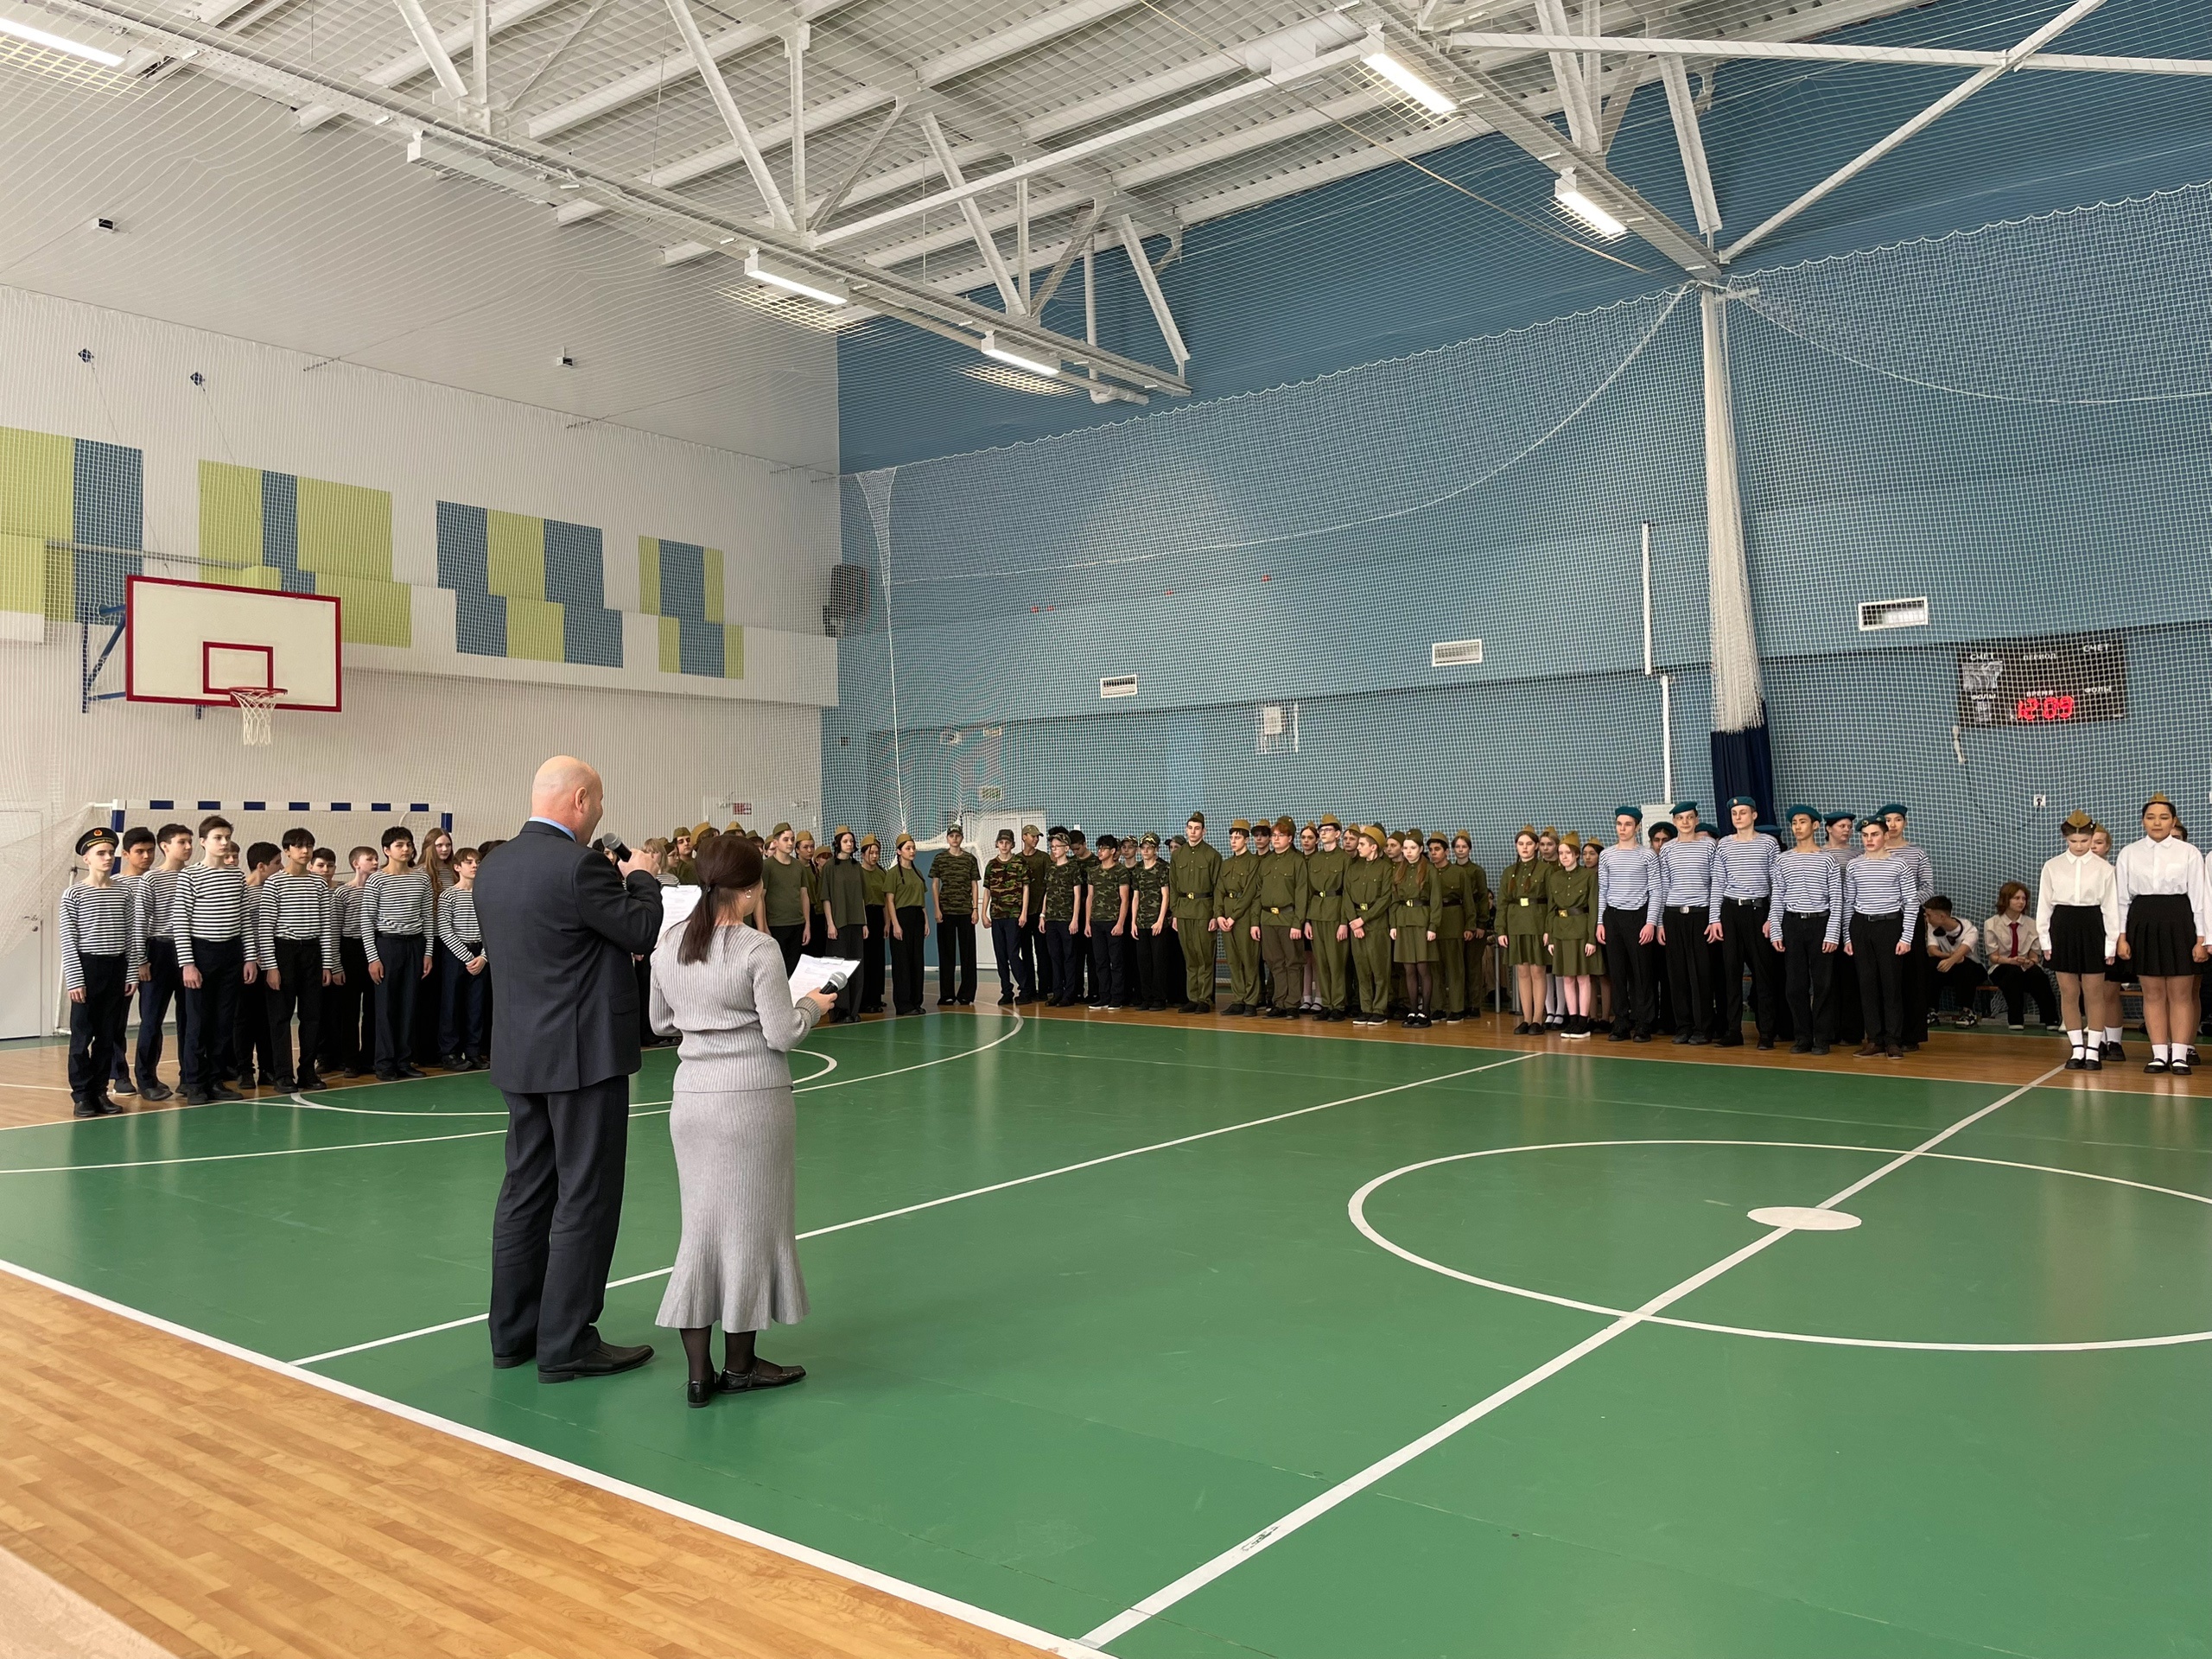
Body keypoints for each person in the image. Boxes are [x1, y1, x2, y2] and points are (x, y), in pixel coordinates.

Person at [477, 755, 665, 1383]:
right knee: (585, 1194)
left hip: (520, 1050)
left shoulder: (494, 865)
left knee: (525, 1192)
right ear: (580, 800)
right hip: (583, 1054)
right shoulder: (583, 866)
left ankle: (513, 1334)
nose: (601, 814)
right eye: (601, 802)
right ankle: (567, 1341)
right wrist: (641, 877)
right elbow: (639, 930)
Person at [650, 835, 836, 1408]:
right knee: (751, 1233)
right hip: (753, 1102)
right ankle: (741, 1367)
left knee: (700, 1233)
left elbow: (661, 1022)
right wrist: (814, 1003)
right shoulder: (758, 950)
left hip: (692, 1102)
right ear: (753, 888)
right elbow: (782, 1033)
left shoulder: (668, 945)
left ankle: (700, 1374)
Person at [2114, 793, 2209, 1074]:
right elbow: (2121, 899)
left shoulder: (2189, 853)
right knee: (2153, 992)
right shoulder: (2129, 853)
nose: (2157, 822)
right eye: (2151, 817)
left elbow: (2200, 899)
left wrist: (2201, 938)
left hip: (2181, 922)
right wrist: (2121, 936)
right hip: (2142, 923)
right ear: (2143, 821)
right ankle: (2158, 1054)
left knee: (2181, 993)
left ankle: (2179, 1055)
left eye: (2164, 817)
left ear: (2174, 821)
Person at [175, 816, 256, 1106]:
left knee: (224, 1022)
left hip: (231, 954)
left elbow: (245, 918)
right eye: (218, 838)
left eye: (227, 837)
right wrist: (188, 963)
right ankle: (194, 1083)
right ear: (203, 842)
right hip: (201, 953)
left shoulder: (236, 875)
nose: (223, 843)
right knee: (198, 1021)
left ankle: (215, 1079)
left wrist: (249, 958)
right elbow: (181, 922)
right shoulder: (189, 876)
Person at [61, 828, 137, 1117]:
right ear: (87, 858)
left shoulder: (124, 892)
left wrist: (130, 974)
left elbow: (131, 935)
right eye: (100, 853)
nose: (108, 858)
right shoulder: (74, 894)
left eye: (110, 852)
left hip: (115, 968)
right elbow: (69, 940)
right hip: (87, 968)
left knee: (109, 1035)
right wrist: (76, 979)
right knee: (82, 1036)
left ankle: (100, 1092)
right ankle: (82, 1095)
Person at [2037, 811, 2119, 1069]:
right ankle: (2076, 1049)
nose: (2080, 846)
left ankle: (2094, 1049)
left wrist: (2110, 944)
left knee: (2095, 992)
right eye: (2074, 841)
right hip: (2063, 927)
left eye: (2085, 841)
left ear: (2092, 838)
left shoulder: (2106, 869)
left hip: (2093, 926)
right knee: (2069, 991)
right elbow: (2044, 907)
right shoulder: (2052, 866)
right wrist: (2046, 941)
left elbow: (2111, 908)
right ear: (2066, 839)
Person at [259, 827, 338, 1090]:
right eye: (299, 846)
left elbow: (327, 924)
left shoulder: (318, 883)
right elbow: (266, 928)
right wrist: (271, 966)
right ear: (287, 851)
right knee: (280, 1017)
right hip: (284, 951)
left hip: (312, 953)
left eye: (309, 846)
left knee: (312, 1016)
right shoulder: (274, 883)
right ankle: (282, 1074)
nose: (305, 851)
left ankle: (307, 1072)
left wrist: (327, 962)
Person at [1768, 806, 1844, 1055]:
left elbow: (1837, 899)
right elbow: (1777, 896)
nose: (1798, 826)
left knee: (1823, 984)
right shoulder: (1783, 859)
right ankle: (1802, 1036)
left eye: (1803, 822)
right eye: (1794, 823)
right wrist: (1777, 930)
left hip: (1820, 923)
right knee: (1795, 985)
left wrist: (1833, 932)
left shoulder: (1827, 859)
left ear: (1815, 826)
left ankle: (1822, 1037)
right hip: (1792, 924)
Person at [1843, 815, 1919, 1060]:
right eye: (1865, 836)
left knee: (1891, 985)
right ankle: (1874, 1039)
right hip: (1861, 926)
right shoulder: (1854, 865)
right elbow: (1848, 903)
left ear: (1886, 836)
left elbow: (1911, 902)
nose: (1869, 840)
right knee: (1867, 985)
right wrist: (1847, 936)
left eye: (1874, 834)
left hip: (1890, 926)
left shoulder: (1900, 865)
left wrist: (1906, 936)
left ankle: (1893, 1040)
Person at [1708, 796, 1781, 1049]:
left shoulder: (1769, 844)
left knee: (1763, 973)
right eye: (1734, 813)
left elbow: (1776, 884)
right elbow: (1717, 882)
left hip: (1758, 911)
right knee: (1731, 974)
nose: (1738, 817)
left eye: (1743, 812)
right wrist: (1714, 918)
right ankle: (1733, 1031)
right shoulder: (1724, 845)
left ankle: (1767, 1032)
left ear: (1754, 815)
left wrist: (1773, 918)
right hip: (1730, 911)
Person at [362, 826, 434, 1081]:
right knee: (386, 1007)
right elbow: (367, 920)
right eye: (399, 845)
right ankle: (384, 1063)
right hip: (387, 946)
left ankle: (404, 1060)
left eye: (408, 845)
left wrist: (428, 953)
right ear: (387, 850)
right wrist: (373, 957)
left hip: (414, 946)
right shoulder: (377, 880)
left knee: (409, 1005)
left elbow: (428, 918)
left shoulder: (421, 878)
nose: (405, 849)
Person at [129, 822, 193, 1101]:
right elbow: (140, 922)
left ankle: (189, 1076)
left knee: (190, 1017)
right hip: (159, 951)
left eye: (191, 842)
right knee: (152, 1019)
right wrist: (142, 960)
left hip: (189, 951)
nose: (189, 847)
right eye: (182, 842)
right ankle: (146, 1078)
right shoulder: (151, 880)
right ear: (166, 846)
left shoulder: (194, 876)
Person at [1596, 808, 1661, 1042]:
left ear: (1638, 827)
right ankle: (1621, 1021)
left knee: (1641, 973)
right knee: (1617, 971)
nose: (1622, 828)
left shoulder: (1647, 856)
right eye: (1619, 824)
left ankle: (1644, 1023)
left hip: (1638, 917)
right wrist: (1600, 921)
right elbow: (1603, 890)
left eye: (1628, 824)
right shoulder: (1607, 856)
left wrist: (1650, 922)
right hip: (1613, 918)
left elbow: (1656, 891)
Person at [1657, 803, 1718, 1045]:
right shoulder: (1667, 850)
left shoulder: (1709, 846)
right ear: (1675, 822)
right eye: (1680, 818)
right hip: (1673, 916)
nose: (1685, 822)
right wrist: (1660, 922)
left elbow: (1716, 884)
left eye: (1689, 817)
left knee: (1700, 973)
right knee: (1678, 974)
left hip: (1700, 914)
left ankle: (1704, 1028)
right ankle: (1683, 1026)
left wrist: (1714, 918)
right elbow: (1663, 886)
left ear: (1696, 820)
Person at [1881, 805, 1936, 1050]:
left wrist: (1906, 903)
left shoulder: (1917, 853)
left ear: (1905, 823)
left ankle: (1911, 1035)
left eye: (1898, 820)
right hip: (1882, 921)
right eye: (1888, 820)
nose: (1892, 825)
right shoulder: (1872, 852)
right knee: (1886, 977)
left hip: (1909, 919)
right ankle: (1885, 1032)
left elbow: (1927, 887)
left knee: (1911, 975)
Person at [324, 846, 378, 1077]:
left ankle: (370, 1057)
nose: (375, 862)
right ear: (356, 863)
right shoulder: (343, 893)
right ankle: (350, 1060)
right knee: (349, 1010)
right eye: (370, 859)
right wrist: (336, 964)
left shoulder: (379, 889)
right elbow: (334, 930)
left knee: (373, 1009)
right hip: (350, 950)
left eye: (376, 858)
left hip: (373, 950)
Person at [437, 847, 490, 1069]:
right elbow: (445, 929)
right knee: (451, 1004)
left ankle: (473, 1050)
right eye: (469, 862)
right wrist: (468, 957)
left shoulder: (485, 894)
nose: (475, 865)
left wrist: (484, 957)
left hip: (481, 954)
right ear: (457, 867)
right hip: (457, 954)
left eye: (477, 861)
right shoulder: (448, 895)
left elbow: (490, 927)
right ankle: (449, 1052)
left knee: (476, 1006)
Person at [1984, 880, 2059, 1033]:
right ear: (2006, 900)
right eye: (2016, 898)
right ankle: (2016, 1019)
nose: (2021, 902)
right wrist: (2011, 961)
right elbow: (1994, 957)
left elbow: (2034, 956)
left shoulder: (2032, 924)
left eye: (2023, 899)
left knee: (2039, 976)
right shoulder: (1991, 924)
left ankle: (2051, 1018)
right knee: (2013, 973)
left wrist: (2029, 961)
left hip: (2025, 966)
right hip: (2002, 966)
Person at [1255, 817, 1306, 1019]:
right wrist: (1255, 922)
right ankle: (1279, 1002)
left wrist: (1298, 923)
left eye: (1280, 835)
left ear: (1290, 839)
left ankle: (1293, 1003)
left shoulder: (1297, 861)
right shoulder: (1266, 862)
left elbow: (1301, 894)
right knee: (1274, 962)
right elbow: (1258, 893)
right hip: (1268, 918)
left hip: (1288, 917)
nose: (1276, 839)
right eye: (1274, 835)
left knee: (1292, 962)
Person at [1170, 814, 1222, 1014]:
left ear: (1204, 831)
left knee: (1204, 956)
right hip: (1184, 910)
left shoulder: (1212, 855)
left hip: (1203, 909)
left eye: (1197, 828)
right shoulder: (1178, 855)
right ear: (1186, 829)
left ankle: (1205, 999)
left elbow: (1218, 887)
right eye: (1190, 827)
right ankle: (1192, 997)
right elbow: (1173, 885)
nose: (1193, 831)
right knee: (1190, 956)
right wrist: (1175, 912)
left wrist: (1215, 915)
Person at [1388, 828, 1438, 1028]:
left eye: (1412, 848)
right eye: (1406, 848)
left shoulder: (1429, 870)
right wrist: (1393, 924)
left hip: (1422, 920)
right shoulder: (1399, 870)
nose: (1408, 852)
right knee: (1408, 968)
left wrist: (1433, 926)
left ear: (1420, 849)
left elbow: (1435, 902)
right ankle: (1412, 1010)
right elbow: (1394, 900)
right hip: (1403, 921)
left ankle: (1425, 1010)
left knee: (1422, 967)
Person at [1500, 828, 1548, 1034]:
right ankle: (1526, 1018)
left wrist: (1549, 929)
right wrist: (1501, 929)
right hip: (1515, 923)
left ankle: (1538, 1018)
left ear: (1536, 846)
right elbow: (1502, 903)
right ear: (1516, 846)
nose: (1525, 848)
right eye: (1521, 844)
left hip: (1537, 922)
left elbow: (1552, 903)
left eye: (1529, 844)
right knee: (1522, 971)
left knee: (1537, 970)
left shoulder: (1546, 870)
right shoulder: (1509, 871)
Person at [819, 829, 868, 1024]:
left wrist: (864, 922)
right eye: (846, 841)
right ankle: (840, 1011)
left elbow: (862, 897)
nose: (850, 844)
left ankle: (854, 1010)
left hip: (856, 922)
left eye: (852, 841)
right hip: (838, 924)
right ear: (838, 843)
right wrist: (830, 924)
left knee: (856, 967)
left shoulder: (857, 867)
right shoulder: (830, 867)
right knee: (839, 968)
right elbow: (826, 898)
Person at [1216, 820, 1262, 1015]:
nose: (1233, 841)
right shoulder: (1226, 864)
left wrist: (1233, 917)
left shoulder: (1254, 862)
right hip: (1226, 915)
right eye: (1231, 838)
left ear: (1247, 840)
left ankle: (1251, 1001)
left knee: (1249, 959)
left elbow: (1251, 893)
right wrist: (1219, 915)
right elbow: (1219, 890)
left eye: (1238, 837)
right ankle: (1238, 999)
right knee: (1233, 959)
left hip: (1243, 916)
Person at [931, 823, 981, 1007]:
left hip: (966, 912)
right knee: (946, 954)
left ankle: (967, 994)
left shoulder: (970, 859)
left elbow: (974, 884)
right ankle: (947, 994)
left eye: (957, 835)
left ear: (961, 838)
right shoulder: (940, 859)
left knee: (968, 955)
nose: (954, 838)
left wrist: (975, 909)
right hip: (946, 912)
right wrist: (937, 908)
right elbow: (935, 885)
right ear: (947, 838)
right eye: (951, 835)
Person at [2089, 822, 2127, 1059]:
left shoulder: (2114, 873)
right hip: (2087, 937)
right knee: (2092, 992)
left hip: (2110, 937)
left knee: (2109, 992)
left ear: (2107, 847)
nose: (2093, 847)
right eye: (2090, 842)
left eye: (2099, 843)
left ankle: (2114, 1042)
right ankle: (2097, 1040)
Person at [984, 829, 1032, 1006]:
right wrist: (983, 913)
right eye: (1001, 842)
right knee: (1000, 955)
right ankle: (1006, 991)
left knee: (1013, 954)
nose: (1004, 845)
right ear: (997, 844)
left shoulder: (1019, 863)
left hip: (1013, 915)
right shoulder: (991, 865)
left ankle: (1025, 990)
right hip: (997, 915)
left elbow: (1026, 888)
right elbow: (987, 890)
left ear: (1012, 844)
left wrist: (1024, 912)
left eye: (1007, 842)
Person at [1922, 896, 1986, 1024]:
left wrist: (1952, 959)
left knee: (1964, 964)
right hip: (1950, 967)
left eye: (1929, 915)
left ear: (1942, 917)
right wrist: (1946, 956)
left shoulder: (1969, 929)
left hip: (1973, 969)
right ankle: (1931, 1010)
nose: (1926, 919)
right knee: (1931, 963)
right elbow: (1932, 950)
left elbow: (1962, 953)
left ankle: (1967, 1012)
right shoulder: (1932, 928)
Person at [1086, 835, 1131, 1010]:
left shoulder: (1121, 872)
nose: (1100, 851)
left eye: (1104, 848)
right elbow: (1089, 897)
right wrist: (1088, 923)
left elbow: (1125, 899)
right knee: (1100, 961)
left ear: (1113, 851)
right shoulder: (1093, 872)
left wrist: (1120, 923)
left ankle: (1117, 997)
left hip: (1113, 921)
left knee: (1116, 962)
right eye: (1099, 848)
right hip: (1096, 922)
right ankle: (1103, 996)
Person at [887, 833, 929, 1016]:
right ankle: (903, 1005)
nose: (912, 851)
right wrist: (895, 924)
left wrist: (926, 921)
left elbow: (922, 901)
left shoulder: (918, 873)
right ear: (899, 851)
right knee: (902, 962)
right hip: (901, 917)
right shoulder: (893, 874)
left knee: (917, 961)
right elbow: (890, 901)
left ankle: (916, 1001)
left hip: (917, 918)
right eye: (908, 848)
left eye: (913, 848)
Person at [1129, 831, 1173, 1011]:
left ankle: (1159, 998)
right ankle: (1146, 998)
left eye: (1150, 848)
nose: (1146, 851)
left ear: (1156, 850)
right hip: (1141, 922)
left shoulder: (1163, 868)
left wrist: (1161, 920)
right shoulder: (1138, 869)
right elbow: (1136, 897)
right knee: (1143, 962)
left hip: (1157, 922)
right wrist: (1133, 922)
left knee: (1159, 961)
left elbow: (1165, 895)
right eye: (1143, 847)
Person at [1039, 830, 1082, 1006]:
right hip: (1052, 919)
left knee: (1069, 956)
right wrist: (1043, 915)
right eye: (1052, 847)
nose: (1054, 850)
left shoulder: (1073, 868)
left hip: (1066, 919)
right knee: (1054, 956)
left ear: (1066, 848)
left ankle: (1070, 993)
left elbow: (1078, 895)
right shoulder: (1050, 869)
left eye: (1057, 847)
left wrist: (1074, 919)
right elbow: (1047, 893)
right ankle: (1057, 991)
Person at [761, 824, 810, 971]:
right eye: (786, 839)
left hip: (797, 924)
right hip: (776, 925)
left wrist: (807, 924)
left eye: (792, 839)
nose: (790, 843)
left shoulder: (798, 866)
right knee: (777, 969)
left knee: (794, 969)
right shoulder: (767, 866)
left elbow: (804, 895)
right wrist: (763, 926)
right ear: (775, 843)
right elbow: (760, 898)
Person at [1018, 824, 1052, 1001]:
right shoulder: (1016, 859)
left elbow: (1048, 886)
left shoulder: (1044, 858)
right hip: (1022, 914)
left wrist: (1043, 914)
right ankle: (1028, 987)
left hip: (1039, 913)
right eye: (1032, 836)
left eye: (1037, 836)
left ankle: (1044, 988)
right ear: (1024, 837)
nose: (1035, 839)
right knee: (1026, 952)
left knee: (1042, 952)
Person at [857, 834, 888, 1014]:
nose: (875, 856)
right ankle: (865, 998)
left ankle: (876, 997)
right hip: (865, 915)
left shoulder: (882, 873)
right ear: (863, 854)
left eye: (877, 852)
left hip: (878, 915)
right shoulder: (858, 872)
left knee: (878, 959)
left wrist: (887, 923)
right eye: (871, 852)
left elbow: (886, 898)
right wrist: (863, 922)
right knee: (866, 958)